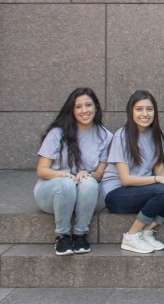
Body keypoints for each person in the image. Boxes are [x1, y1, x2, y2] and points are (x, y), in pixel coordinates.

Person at [101, 90, 164, 253]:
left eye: (149, 109)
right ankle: (131, 235)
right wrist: (158, 179)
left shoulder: (156, 135)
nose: (145, 114)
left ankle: (147, 230)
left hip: (142, 191)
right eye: (139, 109)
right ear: (131, 111)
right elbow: (126, 180)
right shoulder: (122, 136)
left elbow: (160, 172)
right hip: (117, 195)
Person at [34, 87, 112, 255]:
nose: (84, 110)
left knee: (90, 183)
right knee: (67, 184)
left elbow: (99, 174)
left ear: (96, 107)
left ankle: (80, 235)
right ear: (72, 110)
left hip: (82, 196)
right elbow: (42, 170)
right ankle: (61, 236)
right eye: (78, 106)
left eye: (88, 105)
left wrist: (88, 174)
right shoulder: (57, 133)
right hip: (51, 192)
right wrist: (64, 175)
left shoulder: (106, 136)